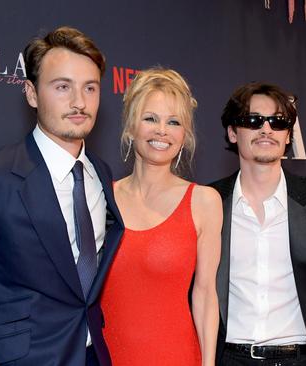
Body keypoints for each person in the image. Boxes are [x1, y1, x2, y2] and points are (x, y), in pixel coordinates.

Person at [0, 26, 124, 366]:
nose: (79, 102)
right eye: (62, 87)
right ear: (31, 93)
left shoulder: (100, 172)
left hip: (93, 355)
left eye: (90, 88)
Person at [210, 82, 306, 366]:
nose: (266, 129)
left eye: (278, 122)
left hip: (302, 359)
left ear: (288, 135)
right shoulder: (209, 201)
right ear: (232, 132)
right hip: (229, 359)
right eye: (253, 120)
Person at [100, 68, 222, 366]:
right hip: (106, 356)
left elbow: (205, 295)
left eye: (174, 122)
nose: (162, 131)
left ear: (185, 135)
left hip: (176, 356)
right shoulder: (100, 197)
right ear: (130, 127)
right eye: (150, 118)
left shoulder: (204, 202)